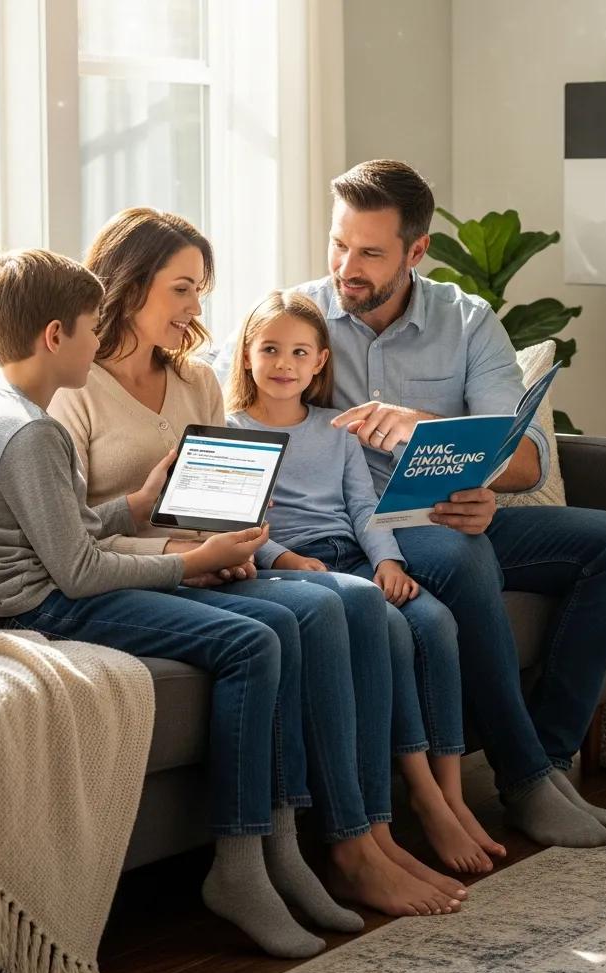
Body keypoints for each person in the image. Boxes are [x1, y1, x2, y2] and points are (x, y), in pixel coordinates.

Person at [215, 159, 606, 848]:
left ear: (416, 252)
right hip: (363, 532)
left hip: (456, 512)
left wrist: (469, 470)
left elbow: (526, 454)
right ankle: (523, 779)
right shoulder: (294, 320)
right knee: (459, 551)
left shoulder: (467, 320)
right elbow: (229, 414)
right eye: (338, 244)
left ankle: (552, 755)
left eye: (370, 253)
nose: (345, 267)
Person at [0, 248, 366, 960]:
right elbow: (75, 574)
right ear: (56, 337)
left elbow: (65, 528)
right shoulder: (30, 431)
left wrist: (136, 507)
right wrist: (194, 563)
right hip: (44, 610)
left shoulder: (18, 412)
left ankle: (282, 844)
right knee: (252, 641)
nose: (97, 342)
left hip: (58, 590)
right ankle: (237, 867)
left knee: (282, 621)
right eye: (89, 329)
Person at [48, 208, 466, 914]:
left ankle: (366, 836)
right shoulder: (70, 390)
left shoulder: (196, 385)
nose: (195, 308)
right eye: (182, 289)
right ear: (132, 283)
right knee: (333, 603)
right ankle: (349, 846)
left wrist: (233, 549)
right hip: (147, 575)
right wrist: (190, 553)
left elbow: (226, 502)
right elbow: (76, 539)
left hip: (220, 564)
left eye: (200, 290)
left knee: (359, 600)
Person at [224, 288, 506, 873]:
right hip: (296, 565)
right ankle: (421, 797)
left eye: (300, 352)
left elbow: (363, 508)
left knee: (433, 620)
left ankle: (451, 795)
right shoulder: (231, 428)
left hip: (355, 556)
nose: (284, 364)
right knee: (393, 631)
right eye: (270, 349)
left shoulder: (337, 429)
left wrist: (389, 561)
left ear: (321, 362)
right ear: (246, 354)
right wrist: (283, 560)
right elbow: (242, 518)